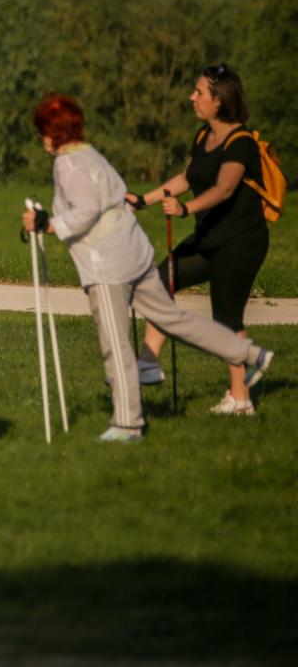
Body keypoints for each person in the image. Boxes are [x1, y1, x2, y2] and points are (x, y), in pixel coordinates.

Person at [25, 94, 274, 440]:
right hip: (135, 254)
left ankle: (127, 423)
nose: (42, 139)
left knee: (116, 344)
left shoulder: (67, 164)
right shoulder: (91, 155)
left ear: (54, 133)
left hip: (107, 265)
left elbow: (86, 210)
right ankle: (250, 354)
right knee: (175, 319)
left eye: (43, 132)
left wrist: (45, 223)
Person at [131, 65, 275, 415]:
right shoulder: (203, 136)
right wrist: (144, 200)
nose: (191, 97)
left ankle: (241, 399)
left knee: (227, 317)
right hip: (210, 239)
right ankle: (147, 363)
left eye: (199, 93)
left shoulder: (241, 143)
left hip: (241, 242)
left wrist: (185, 209)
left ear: (219, 101)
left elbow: (225, 189)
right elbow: (188, 176)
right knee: (158, 281)